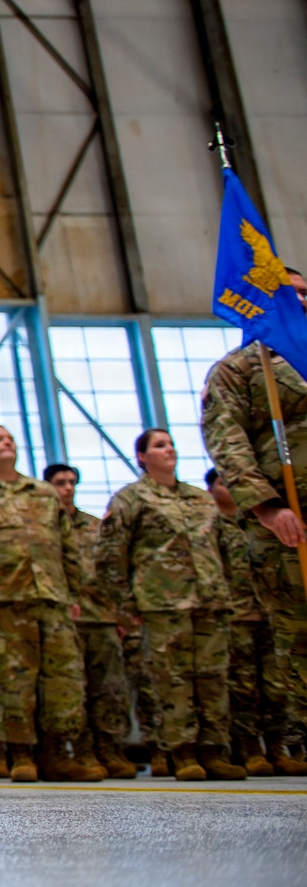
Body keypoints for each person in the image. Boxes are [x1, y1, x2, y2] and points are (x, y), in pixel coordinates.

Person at [0, 425, 93, 783]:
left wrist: (74, 594)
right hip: (4, 602)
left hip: (51, 599)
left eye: (9, 438)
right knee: (13, 681)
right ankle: (20, 753)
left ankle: (55, 752)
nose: (5, 442)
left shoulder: (42, 493)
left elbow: (67, 546)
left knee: (63, 680)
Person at [96, 430, 242, 780]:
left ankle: (214, 751)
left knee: (212, 679)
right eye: (160, 445)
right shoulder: (131, 499)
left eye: (171, 443)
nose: (170, 449)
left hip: (209, 601)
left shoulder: (200, 500)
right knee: (171, 680)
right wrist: (127, 605)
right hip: (162, 604)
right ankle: (183, 753)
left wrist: (227, 590)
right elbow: (109, 557)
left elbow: (226, 548)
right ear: (142, 457)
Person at [202, 299, 307, 777]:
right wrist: (267, 507)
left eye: (305, 292)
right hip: (290, 525)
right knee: (299, 637)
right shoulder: (241, 368)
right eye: (289, 293)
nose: (301, 301)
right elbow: (226, 440)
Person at [208, 468, 301, 774]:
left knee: (277, 684)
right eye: (224, 483)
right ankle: (248, 750)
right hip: (235, 614)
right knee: (243, 685)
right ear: (211, 489)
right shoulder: (210, 525)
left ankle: (277, 747)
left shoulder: (259, 521)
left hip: (269, 609)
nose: (231, 489)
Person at [47, 461, 135, 778]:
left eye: (72, 481)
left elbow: (113, 570)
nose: (68, 487)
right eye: (60, 482)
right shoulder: (42, 528)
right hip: (63, 619)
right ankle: (82, 753)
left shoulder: (95, 526)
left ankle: (111, 749)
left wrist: (121, 614)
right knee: (73, 690)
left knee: (110, 688)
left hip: (101, 617)